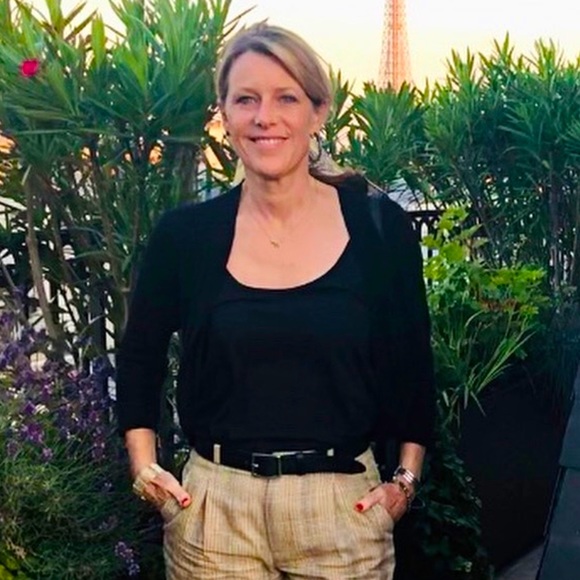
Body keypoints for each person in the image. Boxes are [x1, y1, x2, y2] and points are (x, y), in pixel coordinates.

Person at [116, 22, 435, 580]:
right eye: (246, 99)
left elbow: (414, 363)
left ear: (318, 111)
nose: (265, 117)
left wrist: (404, 482)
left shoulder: (379, 230)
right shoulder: (185, 237)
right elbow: (140, 355)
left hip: (342, 516)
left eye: (286, 98)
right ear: (224, 114)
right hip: (213, 518)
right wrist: (145, 467)